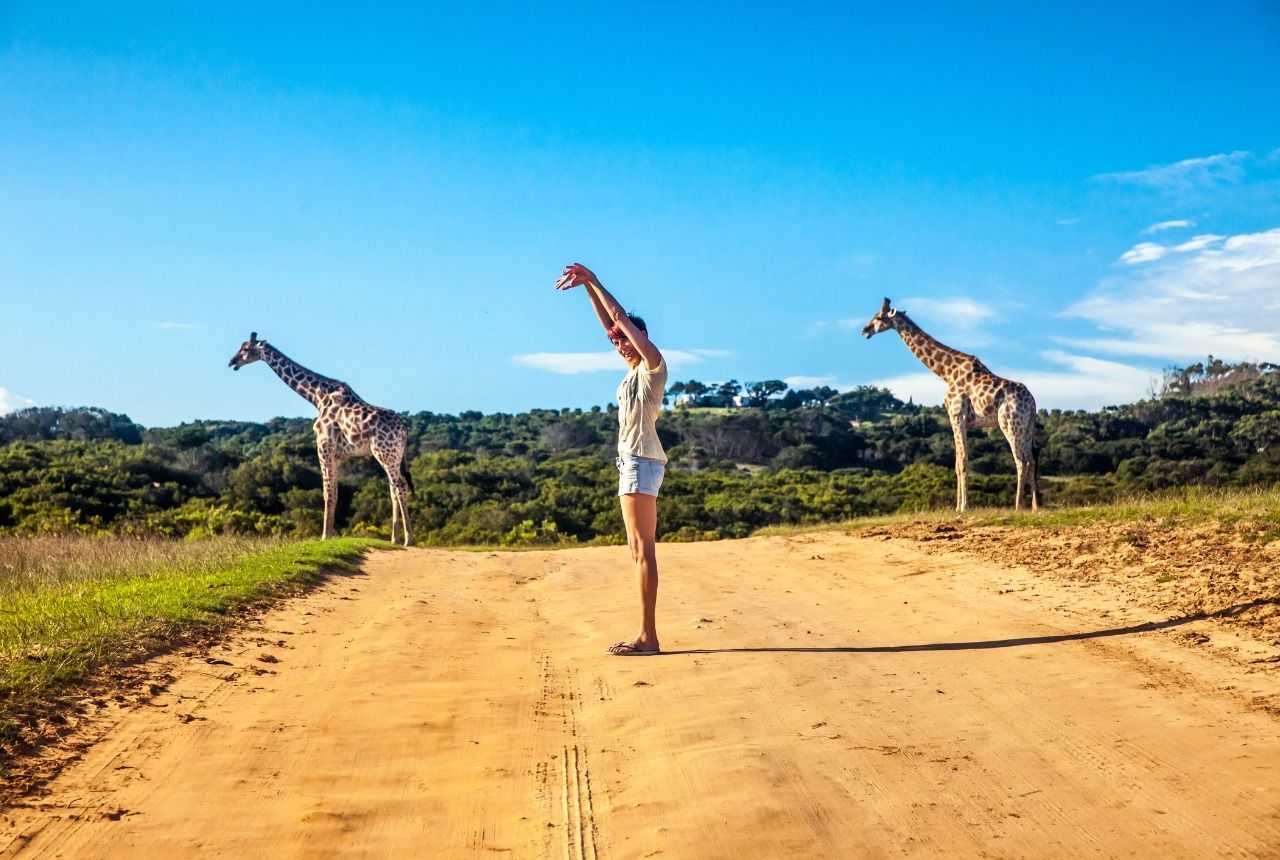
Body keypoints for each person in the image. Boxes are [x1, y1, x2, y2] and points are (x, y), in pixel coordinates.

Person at [554, 262, 667, 656]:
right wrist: (588, 288)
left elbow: (618, 318)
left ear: (641, 338)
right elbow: (610, 324)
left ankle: (648, 637)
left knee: (642, 549)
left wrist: (598, 280)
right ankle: (646, 634)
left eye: (626, 338)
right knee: (638, 550)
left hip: (640, 460)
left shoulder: (652, 367)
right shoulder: (632, 372)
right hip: (633, 463)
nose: (619, 342)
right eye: (617, 340)